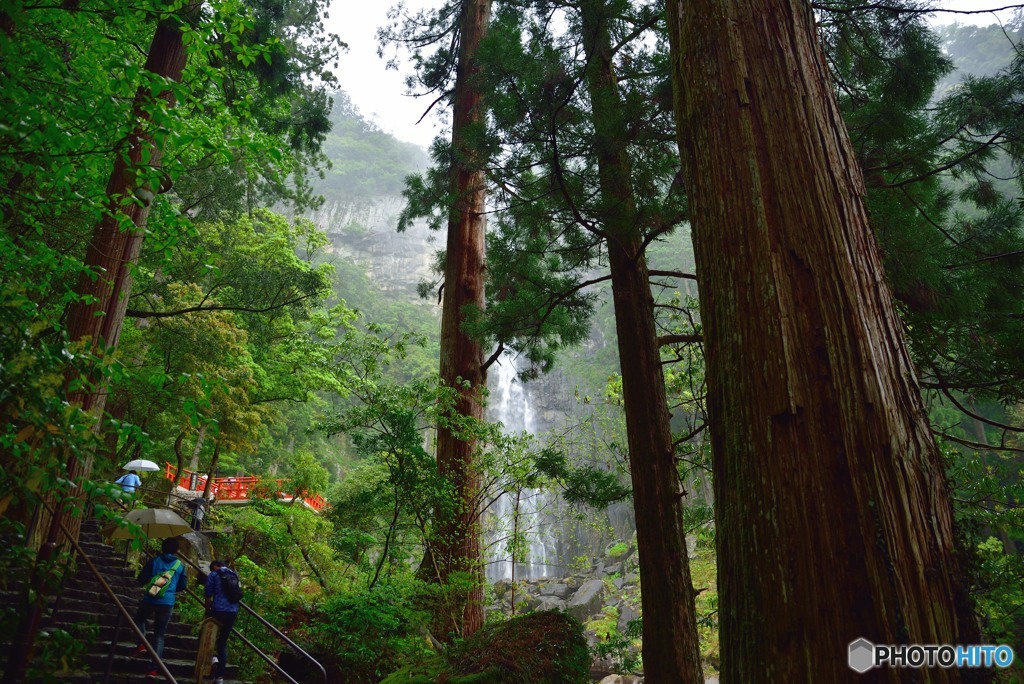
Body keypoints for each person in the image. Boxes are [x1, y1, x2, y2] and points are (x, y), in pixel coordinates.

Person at [132, 537, 187, 677]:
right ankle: (153, 668)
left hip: (151, 597)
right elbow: (182, 586)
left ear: (162, 548)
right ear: (176, 550)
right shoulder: (180, 565)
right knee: (159, 635)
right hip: (167, 601)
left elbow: (141, 580)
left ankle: (141, 644)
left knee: (139, 618)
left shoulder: (154, 561)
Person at [204, 560, 241, 684]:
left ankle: (210, 663)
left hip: (218, 610)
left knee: (207, 637)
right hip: (233, 611)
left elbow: (208, 594)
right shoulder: (234, 574)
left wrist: (207, 610)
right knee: (222, 642)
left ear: (215, 566)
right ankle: (220, 677)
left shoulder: (213, 575)